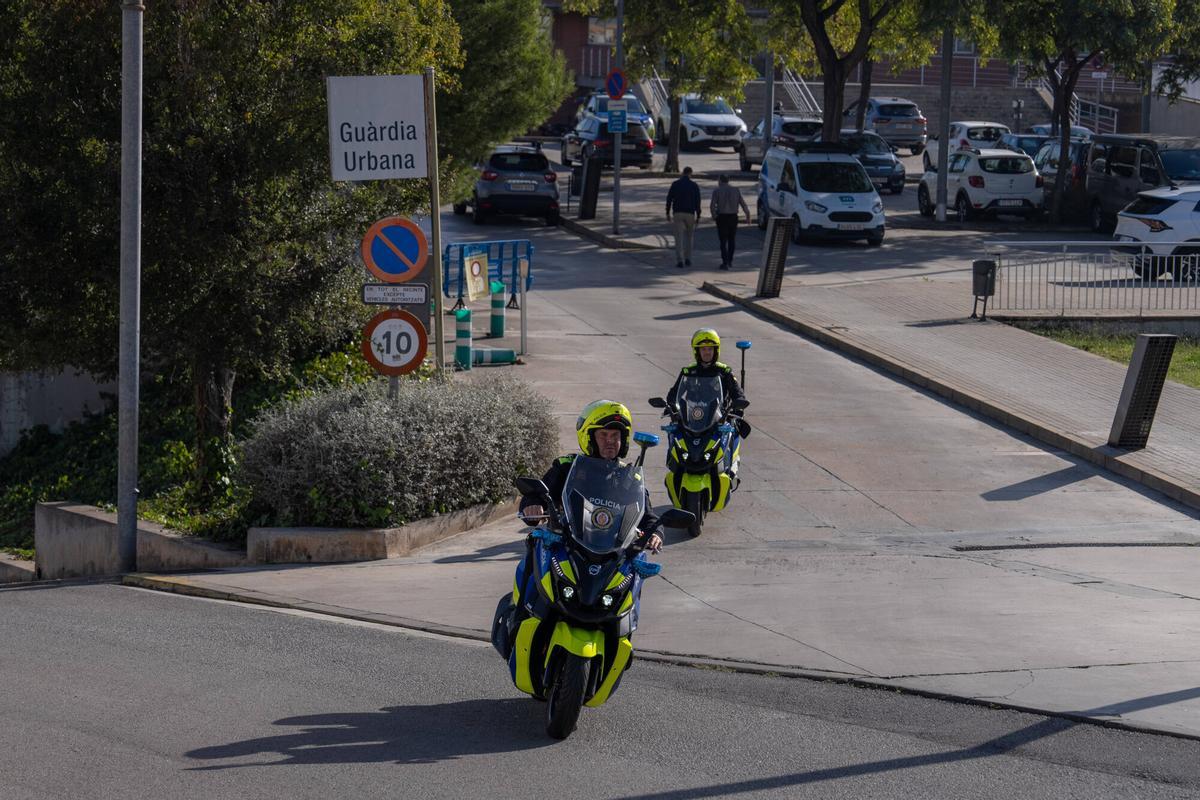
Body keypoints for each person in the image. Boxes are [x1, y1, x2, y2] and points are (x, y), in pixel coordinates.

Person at [519, 400, 662, 552]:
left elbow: (648, 516)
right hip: (567, 546)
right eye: (603, 435)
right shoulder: (567, 467)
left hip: (614, 552)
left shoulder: (629, 477)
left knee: (639, 564)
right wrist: (533, 505)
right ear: (589, 437)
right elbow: (537, 494)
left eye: (615, 435)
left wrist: (656, 533)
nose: (610, 441)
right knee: (535, 553)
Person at [665, 328, 747, 410]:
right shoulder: (688, 372)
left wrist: (739, 400)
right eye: (703, 349)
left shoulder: (724, 372)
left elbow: (737, 393)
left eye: (710, 349)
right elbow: (674, 394)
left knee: (738, 417)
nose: (707, 352)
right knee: (670, 417)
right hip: (692, 414)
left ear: (715, 351)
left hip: (719, 415)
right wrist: (671, 405)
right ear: (697, 351)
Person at [709, 174, 751, 270]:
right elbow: (743, 203)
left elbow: (712, 205)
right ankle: (730, 260)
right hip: (733, 216)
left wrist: (714, 216)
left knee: (723, 240)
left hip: (722, 216)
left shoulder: (717, 191)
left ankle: (724, 261)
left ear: (720, 180)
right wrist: (747, 215)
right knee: (732, 239)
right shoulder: (736, 190)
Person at [665, 166, 702, 269]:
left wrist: (667, 212)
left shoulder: (675, 184)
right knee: (689, 237)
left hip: (678, 213)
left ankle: (680, 260)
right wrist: (698, 215)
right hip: (690, 213)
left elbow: (669, 198)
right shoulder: (694, 185)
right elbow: (697, 201)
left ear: (682, 173)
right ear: (690, 174)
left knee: (679, 237)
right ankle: (688, 258)